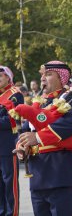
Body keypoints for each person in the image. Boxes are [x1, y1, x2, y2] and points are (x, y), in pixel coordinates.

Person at [16, 61, 72, 215]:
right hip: (38, 178)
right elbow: (26, 130)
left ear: (62, 78)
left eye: (48, 74)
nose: (42, 79)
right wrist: (22, 146)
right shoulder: (39, 102)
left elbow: (71, 124)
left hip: (62, 176)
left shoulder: (71, 98)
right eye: (42, 75)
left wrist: (38, 137)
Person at [0, 66, 23, 216]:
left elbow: (13, 121)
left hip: (8, 146)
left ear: (8, 77)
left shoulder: (15, 94)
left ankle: (12, 213)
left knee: (9, 183)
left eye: (0, 76)